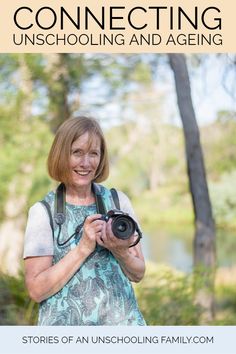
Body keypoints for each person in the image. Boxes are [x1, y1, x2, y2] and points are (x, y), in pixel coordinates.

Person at [23, 116, 146, 326]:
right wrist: (83, 249)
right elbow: (36, 290)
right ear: (62, 154)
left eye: (94, 154)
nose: (86, 163)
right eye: (77, 152)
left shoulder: (118, 202)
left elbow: (138, 273)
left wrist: (120, 250)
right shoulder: (43, 212)